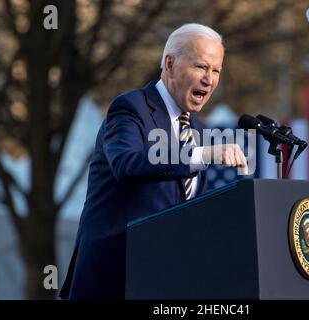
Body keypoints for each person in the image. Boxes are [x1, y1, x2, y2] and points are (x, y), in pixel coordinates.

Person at [59, 23, 248, 300]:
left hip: (165, 280)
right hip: (113, 279)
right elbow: (128, 165)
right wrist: (203, 155)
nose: (209, 80)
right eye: (201, 67)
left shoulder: (198, 130)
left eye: (216, 70)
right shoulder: (130, 108)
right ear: (170, 64)